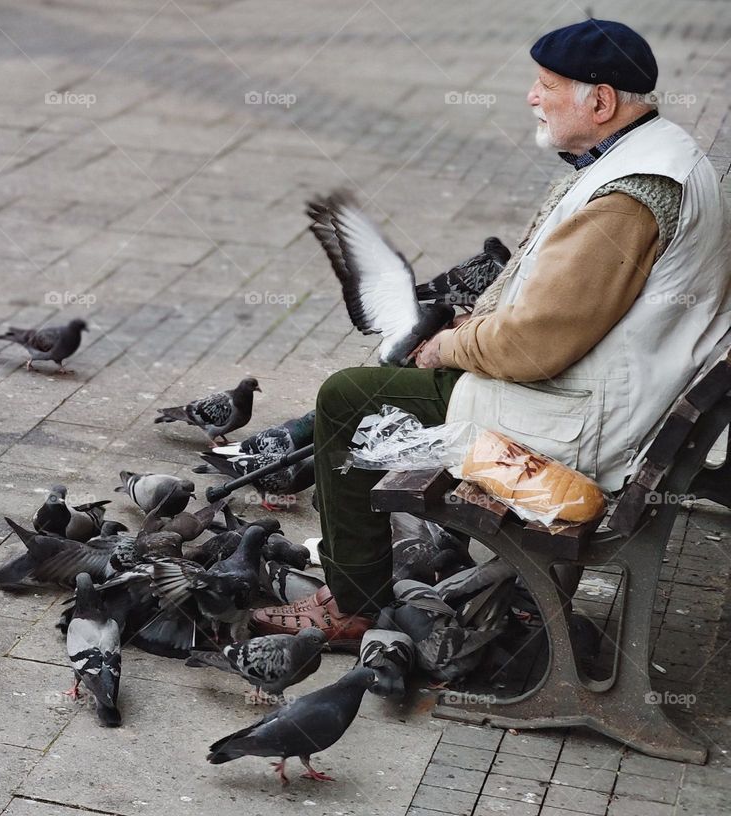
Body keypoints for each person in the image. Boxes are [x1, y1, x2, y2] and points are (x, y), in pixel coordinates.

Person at [252, 18, 731, 649]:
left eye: (546, 86)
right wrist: (470, 329)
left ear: (602, 100)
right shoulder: (659, 150)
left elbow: (535, 346)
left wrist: (448, 344)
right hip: (630, 397)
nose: (533, 98)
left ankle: (352, 602)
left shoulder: (628, 197)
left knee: (348, 398)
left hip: (589, 423)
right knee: (404, 372)